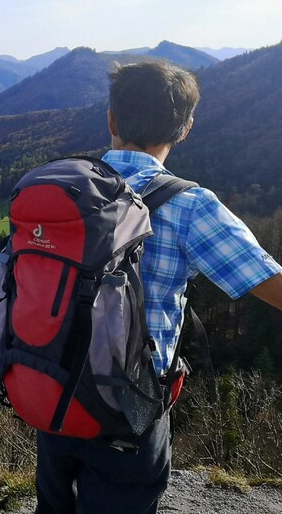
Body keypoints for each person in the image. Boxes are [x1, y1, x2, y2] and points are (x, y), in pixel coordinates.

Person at [35, 61, 282, 514]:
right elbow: (272, 285)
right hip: (127, 409)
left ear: (110, 119)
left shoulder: (65, 184)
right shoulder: (189, 205)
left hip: (49, 388)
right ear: (185, 129)